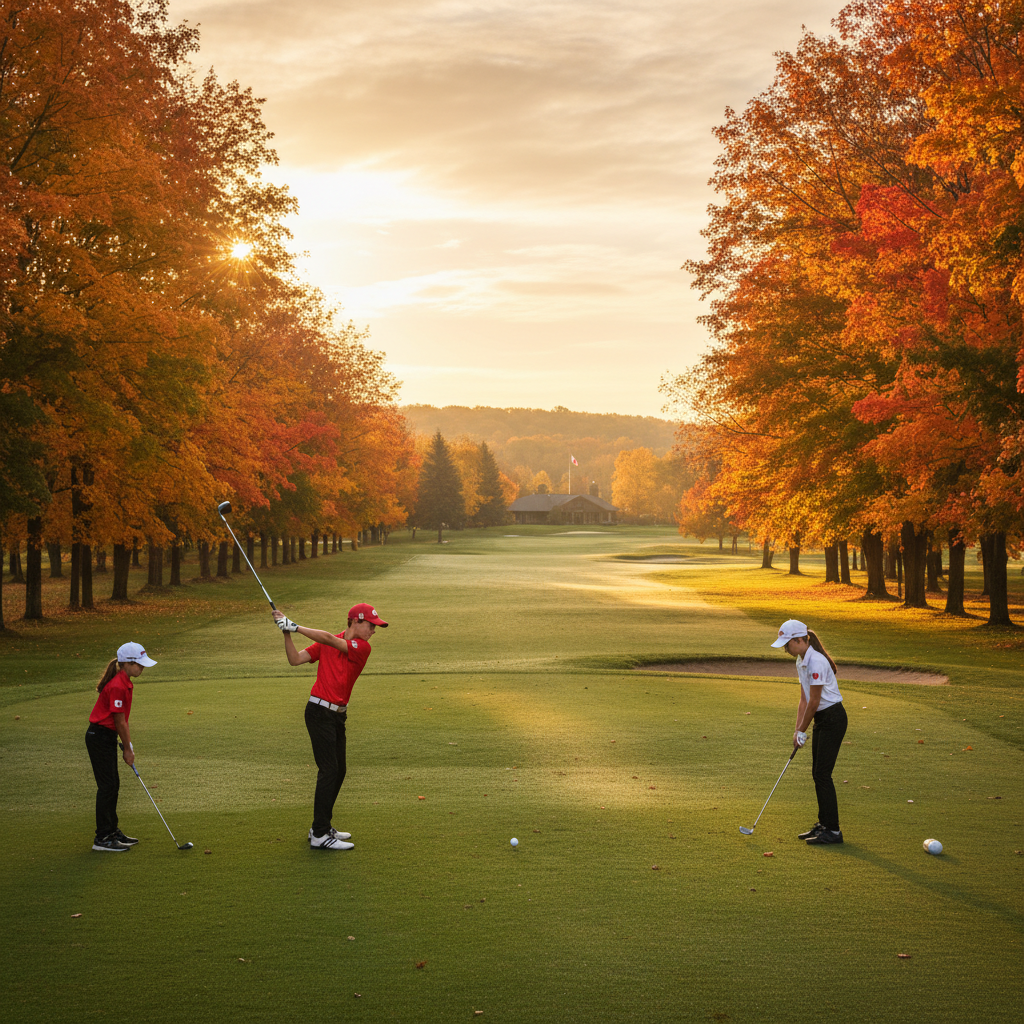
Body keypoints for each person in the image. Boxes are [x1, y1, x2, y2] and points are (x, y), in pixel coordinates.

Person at [273, 603, 388, 850]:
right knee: (329, 770)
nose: (373, 631)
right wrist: (286, 631)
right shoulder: (326, 642)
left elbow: (329, 639)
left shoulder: (362, 647)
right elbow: (295, 660)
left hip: (337, 716)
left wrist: (294, 626)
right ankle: (319, 834)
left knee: (339, 770)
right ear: (355, 621)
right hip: (318, 712)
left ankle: (321, 826)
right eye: (371, 625)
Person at [771, 619, 847, 845]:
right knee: (818, 773)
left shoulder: (817, 661)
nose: (786, 649)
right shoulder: (801, 660)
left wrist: (803, 730)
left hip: (833, 718)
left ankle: (833, 831)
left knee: (822, 774)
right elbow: (804, 699)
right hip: (822, 719)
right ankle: (824, 824)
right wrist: (797, 731)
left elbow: (814, 702)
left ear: (799, 640)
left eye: (787, 644)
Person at [85, 642, 158, 852]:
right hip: (99, 737)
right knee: (107, 787)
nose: (142, 668)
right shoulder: (117, 685)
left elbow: (120, 721)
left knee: (113, 785)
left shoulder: (125, 682)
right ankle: (102, 838)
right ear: (126, 663)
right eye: (139, 664)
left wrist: (127, 744)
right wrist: (127, 749)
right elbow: (120, 721)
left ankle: (111, 831)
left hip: (106, 736)